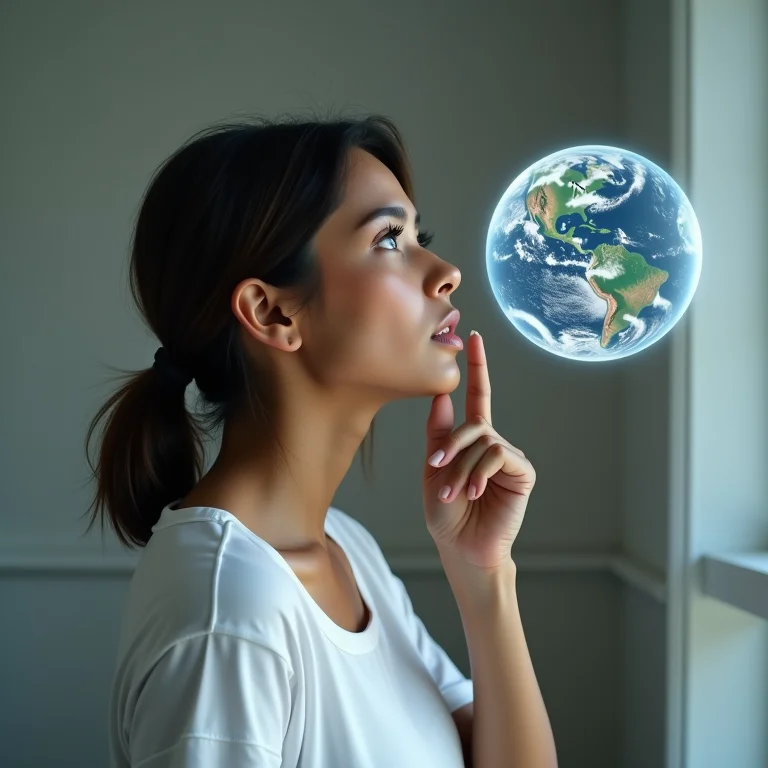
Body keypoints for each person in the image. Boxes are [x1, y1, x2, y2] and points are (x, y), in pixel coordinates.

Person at [86, 114, 557, 768]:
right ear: (272, 313)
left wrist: (484, 576)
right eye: (390, 238)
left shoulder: (347, 551)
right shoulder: (231, 614)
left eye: (420, 236)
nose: (446, 271)